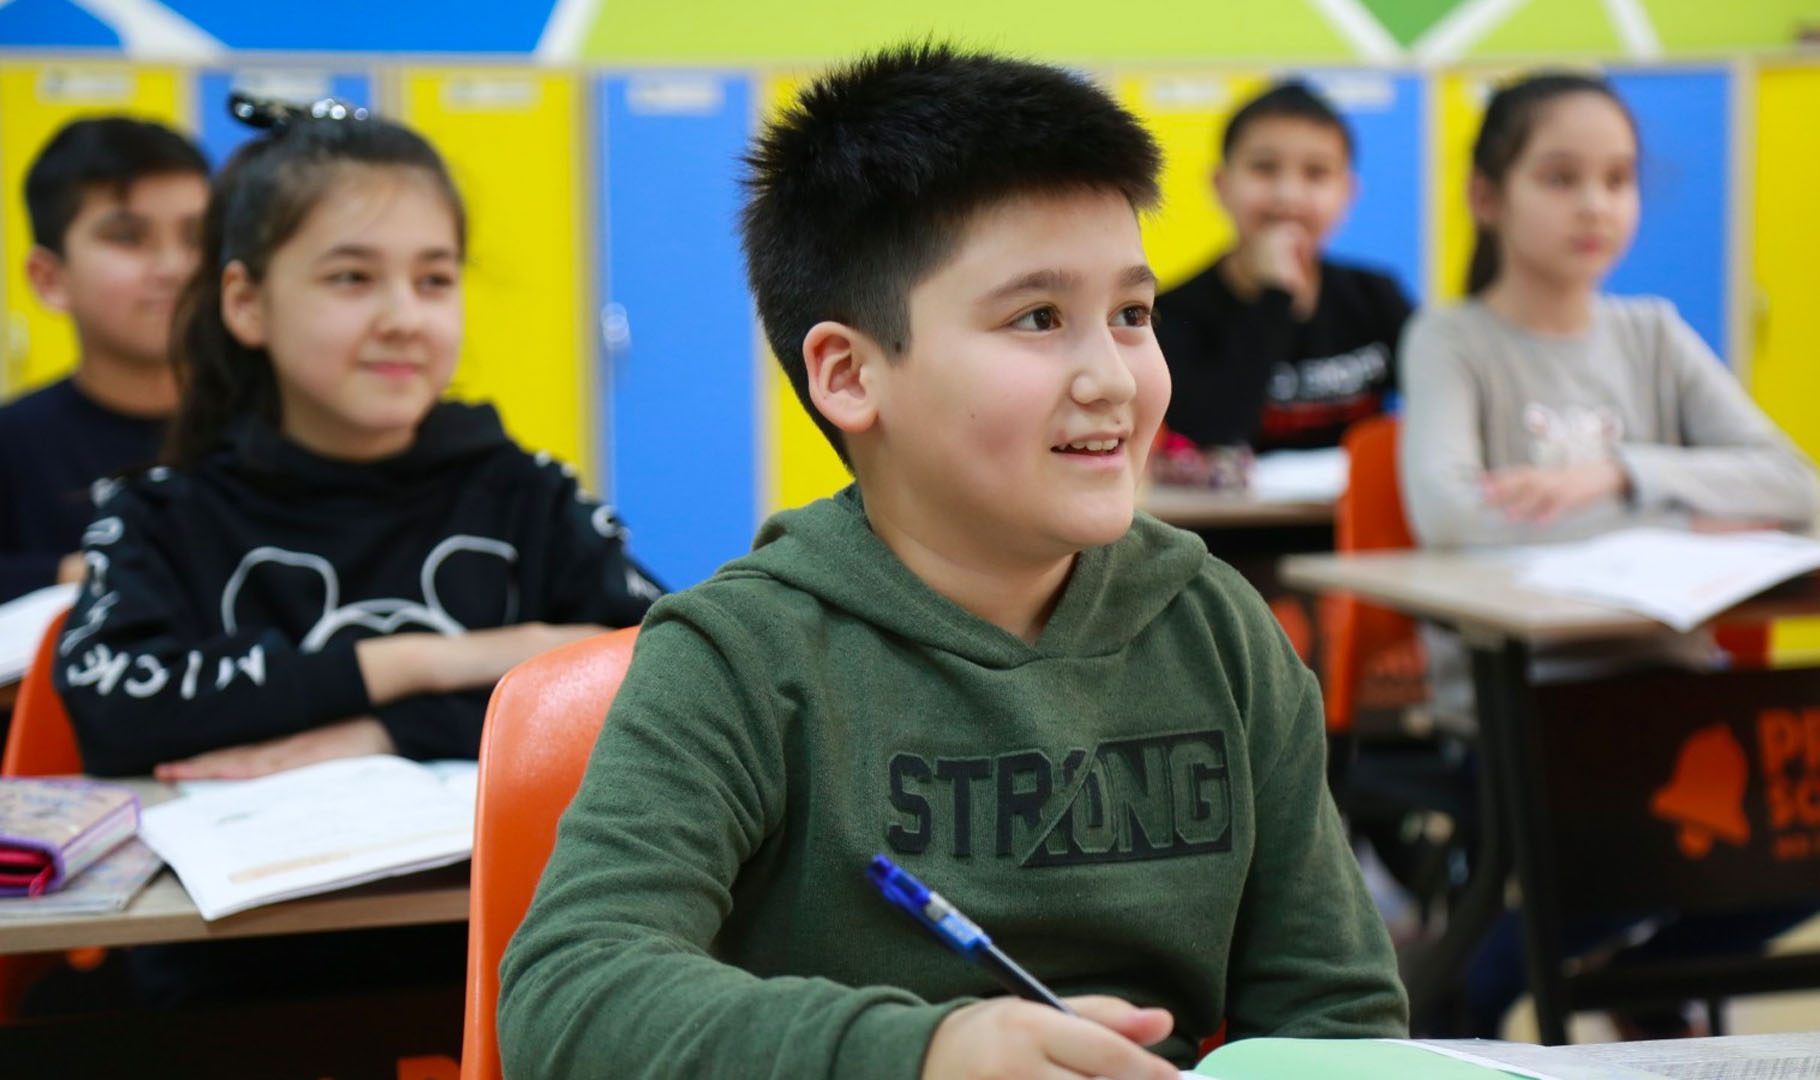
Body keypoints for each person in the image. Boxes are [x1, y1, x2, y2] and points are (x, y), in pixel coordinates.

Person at [499, 45, 1407, 1080]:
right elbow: (570, 996)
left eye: (1132, 314)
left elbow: (1337, 1011)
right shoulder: (742, 656)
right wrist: (923, 1052)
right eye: (1038, 318)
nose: (1113, 378)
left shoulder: (1218, 629)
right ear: (850, 375)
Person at [49, 95, 664, 1008]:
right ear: (246, 302)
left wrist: (384, 731)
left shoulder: (525, 492)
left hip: (491, 965)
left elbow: (664, 670)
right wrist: (436, 659)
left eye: (434, 279)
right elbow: (112, 703)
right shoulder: (161, 512)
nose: (404, 317)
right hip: (228, 980)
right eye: (351, 278)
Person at [1395, 70, 1820, 1039]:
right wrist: (1684, 511)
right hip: (1528, 704)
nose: (1596, 204)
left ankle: (1643, 979)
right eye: (1561, 177)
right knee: (1641, 837)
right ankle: (1477, 979)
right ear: (1486, 196)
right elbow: (1452, 516)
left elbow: (1795, 484)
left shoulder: (1653, 334)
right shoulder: (1453, 339)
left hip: (1674, 690)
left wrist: (1620, 474)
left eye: (1618, 178)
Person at [0, 117, 208, 605]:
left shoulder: (278, 429)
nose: (174, 267)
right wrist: (70, 574)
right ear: (49, 277)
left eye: (197, 237)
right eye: (128, 237)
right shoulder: (13, 444)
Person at [1156, 80, 1411, 457]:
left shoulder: (1376, 296)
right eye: (1264, 168)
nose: (1288, 194)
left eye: (1316, 173)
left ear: (1347, 192)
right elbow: (1213, 436)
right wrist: (1275, 297)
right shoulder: (1175, 313)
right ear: (1221, 185)